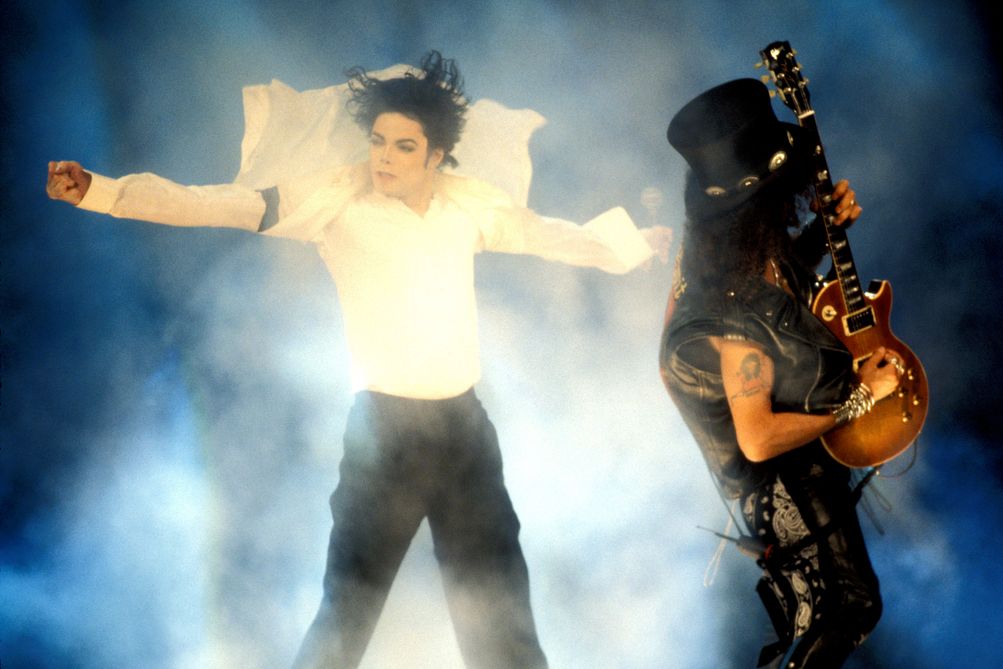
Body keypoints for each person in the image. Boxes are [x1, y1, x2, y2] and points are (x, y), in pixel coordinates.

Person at [47, 51, 671, 669]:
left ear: (435, 155)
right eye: (378, 141)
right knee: (347, 612)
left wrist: (632, 246)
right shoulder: (335, 200)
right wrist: (101, 191)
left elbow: (552, 235)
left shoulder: (468, 206)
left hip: (465, 434)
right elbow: (217, 203)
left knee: (502, 614)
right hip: (384, 438)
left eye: (404, 146)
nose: (384, 157)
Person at [658, 78, 902, 668]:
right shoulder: (733, 322)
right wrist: (858, 399)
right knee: (849, 609)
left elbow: (773, 287)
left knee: (840, 613)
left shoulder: (732, 254)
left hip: (794, 470)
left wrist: (824, 233)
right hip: (783, 483)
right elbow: (758, 438)